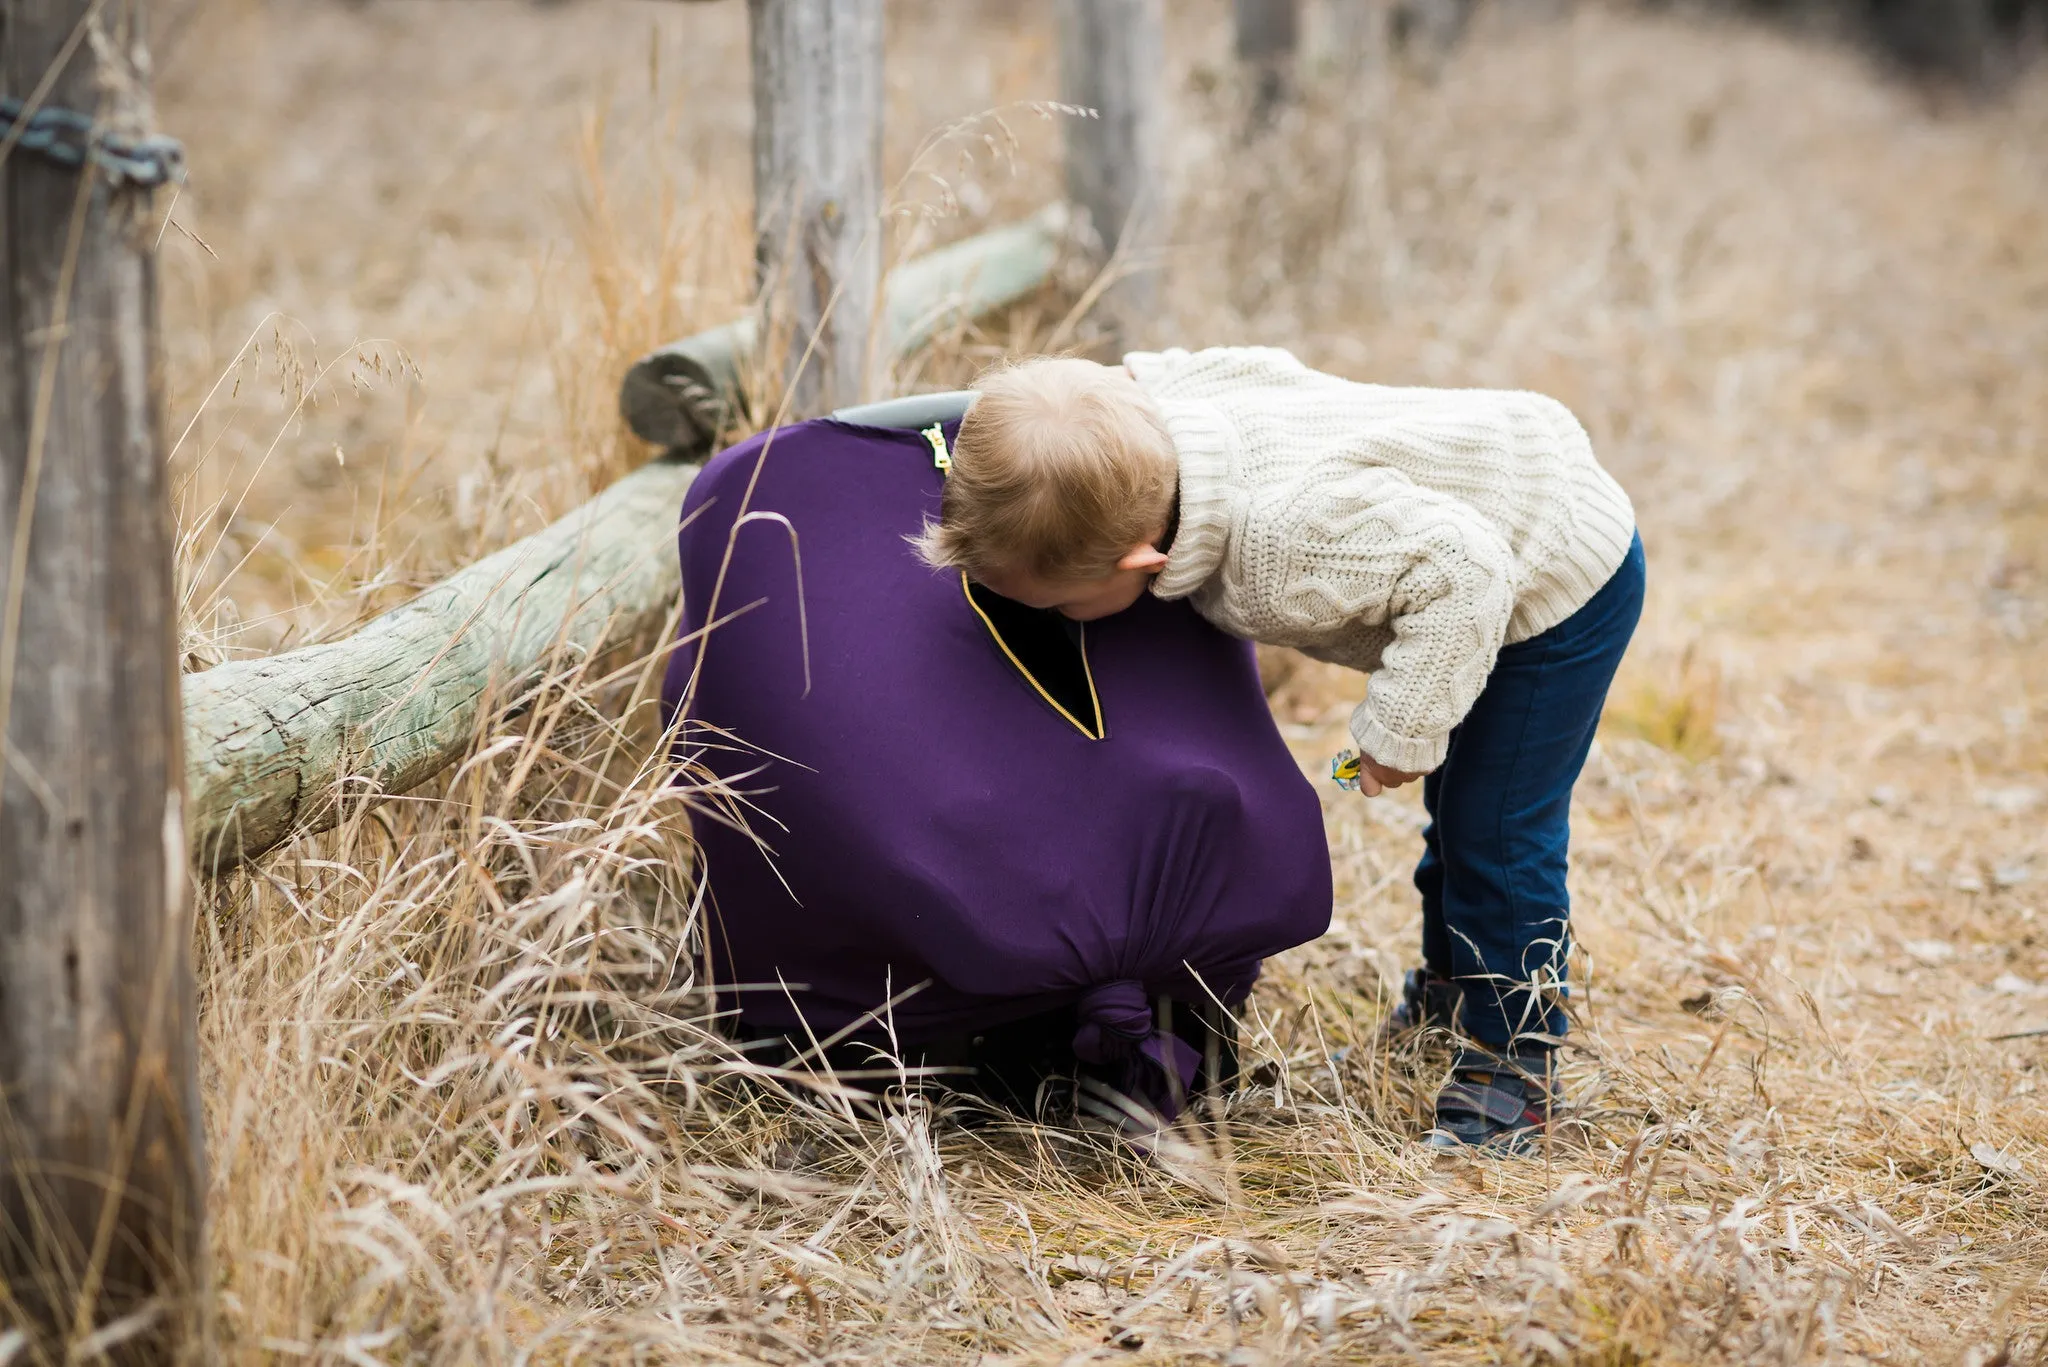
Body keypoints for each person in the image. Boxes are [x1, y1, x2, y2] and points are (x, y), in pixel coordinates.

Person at [913, 348, 1643, 1153]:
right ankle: (1445, 1002)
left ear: (1141, 565)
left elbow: (1466, 573)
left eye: (1060, 606)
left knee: (1493, 829)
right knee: (1465, 814)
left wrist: (1397, 731)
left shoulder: (1279, 548)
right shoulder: (1147, 420)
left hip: (1554, 574)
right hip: (1487, 507)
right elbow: (1194, 370)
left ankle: (1515, 1063)